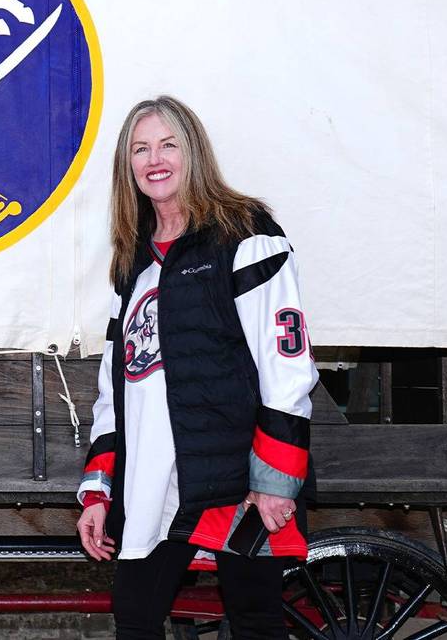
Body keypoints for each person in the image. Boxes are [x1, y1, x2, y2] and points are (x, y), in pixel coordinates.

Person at [75, 96, 318, 639]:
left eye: (168, 145)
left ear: (194, 153)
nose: (154, 159)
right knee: (135, 618)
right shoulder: (132, 260)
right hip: (152, 483)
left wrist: (275, 479)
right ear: (127, 164)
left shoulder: (245, 233)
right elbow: (116, 386)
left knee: (255, 620)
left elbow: (287, 363)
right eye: (140, 149)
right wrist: (99, 489)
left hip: (237, 478)